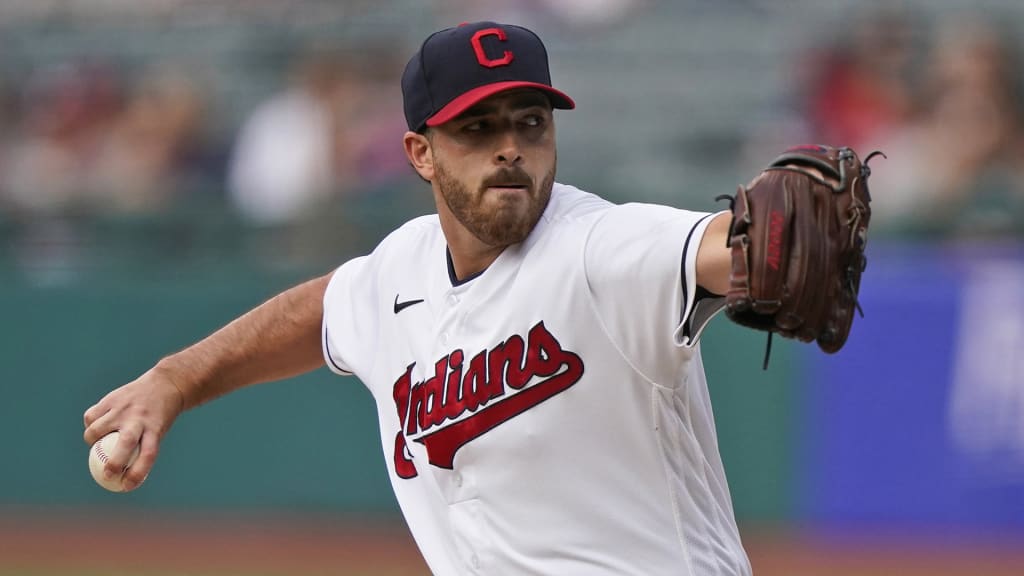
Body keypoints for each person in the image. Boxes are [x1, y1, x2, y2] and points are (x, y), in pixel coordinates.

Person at [84, 21, 753, 575]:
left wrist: (768, 246)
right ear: (420, 152)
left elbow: (719, 247)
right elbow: (320, 310)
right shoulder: (400, 269)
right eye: (476, 129)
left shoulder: (598, 247)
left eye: (531, 123)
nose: (511, 149)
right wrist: (175, 379)